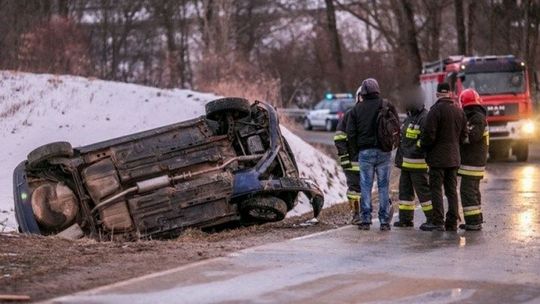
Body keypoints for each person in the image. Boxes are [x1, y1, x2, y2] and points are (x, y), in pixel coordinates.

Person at [346, 78, 397, 231]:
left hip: (365, 152)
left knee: (366, 186)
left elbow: (350, 133)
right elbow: (396, 126)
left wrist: (356, 151)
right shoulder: (386, 105)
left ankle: (366, 219)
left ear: (363, 92)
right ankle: (384, 221)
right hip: (384, 152)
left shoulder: (356, 109)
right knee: (383, 187)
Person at [419, 83, 468, 232]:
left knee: (436, 190)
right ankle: (452, 222)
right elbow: (464, 136)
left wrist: (424, 146)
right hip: (454, 158)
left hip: (437, 159)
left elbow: (428, 135)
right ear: (451, 93)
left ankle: (438, 221)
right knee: (452, 190)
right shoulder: (459, 112)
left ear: (437, 94)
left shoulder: (434, 111)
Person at [393, 89, 432, 227]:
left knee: (424, 194)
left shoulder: (425, 117)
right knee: (405, 192)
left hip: (418, 165)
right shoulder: (409, 117)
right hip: (406, 164)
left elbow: (425, 140)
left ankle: (432, 218)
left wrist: (413, 151)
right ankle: (405, 219)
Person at [458, 89, 488, 231]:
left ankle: (473, 222)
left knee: (467, 191)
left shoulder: (477, 118)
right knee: (473, 191)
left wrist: (457, 136)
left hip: (473, 162)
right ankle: (475, 219)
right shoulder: (475, 116)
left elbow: (472, 137)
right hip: (472, 162)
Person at [334, 106, 361, 225]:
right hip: (354, 160)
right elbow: (339, 137)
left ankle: (360, 214)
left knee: (359, 189)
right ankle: (357, 213)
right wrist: (344, 156)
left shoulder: (351, 114)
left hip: (362, 160)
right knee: (355, 190)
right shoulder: (350, 114)